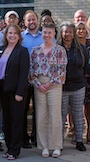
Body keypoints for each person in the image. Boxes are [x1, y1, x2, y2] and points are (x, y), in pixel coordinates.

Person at [29, 23, 67, 157]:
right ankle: (44, 146)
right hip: (39, 85)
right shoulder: (35, 51)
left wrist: (50, 84)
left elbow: (62, 70)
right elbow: (31, 70)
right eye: (44, 32)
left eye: (49, 33)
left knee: (55, 115)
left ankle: (56, 146)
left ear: (54, 34)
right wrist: (38, 84)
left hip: (54, 85)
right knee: (41, 116)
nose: (47, 35)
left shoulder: (60, 50)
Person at [0, 25, 30, 160]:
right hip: (3, 90)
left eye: (15, 33)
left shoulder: (22, 51)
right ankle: (9, 147)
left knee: (16, 121)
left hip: (16, 91)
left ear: (19, 36)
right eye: (10, 33)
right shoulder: (0, 50)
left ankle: (15, 150)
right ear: (6, 35)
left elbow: (23, 73)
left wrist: (20, 92)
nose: (12, 35)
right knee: (7, 121)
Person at [58, 22, 88, 151]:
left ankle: (79, 141)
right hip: (62, 88)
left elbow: (85, 66)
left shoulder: (81, 49)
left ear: (73, 33)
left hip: (78, 87)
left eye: (70, 32)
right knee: (61, 115)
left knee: (77, 115)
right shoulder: (57, 48)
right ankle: (59, 142)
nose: (68, 34)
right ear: (61, 33)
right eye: (65, 32)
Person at [20, 10, 42, 148]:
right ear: (24, 22)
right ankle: (23, 138)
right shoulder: (20, 37)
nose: (31, 22)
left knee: (39, 110)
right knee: (23, 109)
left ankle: (36, 137)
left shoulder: (45, 36)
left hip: (40, 79)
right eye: (29, 20)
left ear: (37, 20)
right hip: (25, 78)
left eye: (33, 19)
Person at [75, 21, 90, 143]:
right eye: (78, 29)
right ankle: (77, 133)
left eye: (83, 28)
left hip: (89, 78)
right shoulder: (73, 44)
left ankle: (89, 132)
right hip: (77, 78)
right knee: (77, 107)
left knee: (89, 106)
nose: (81, 31)